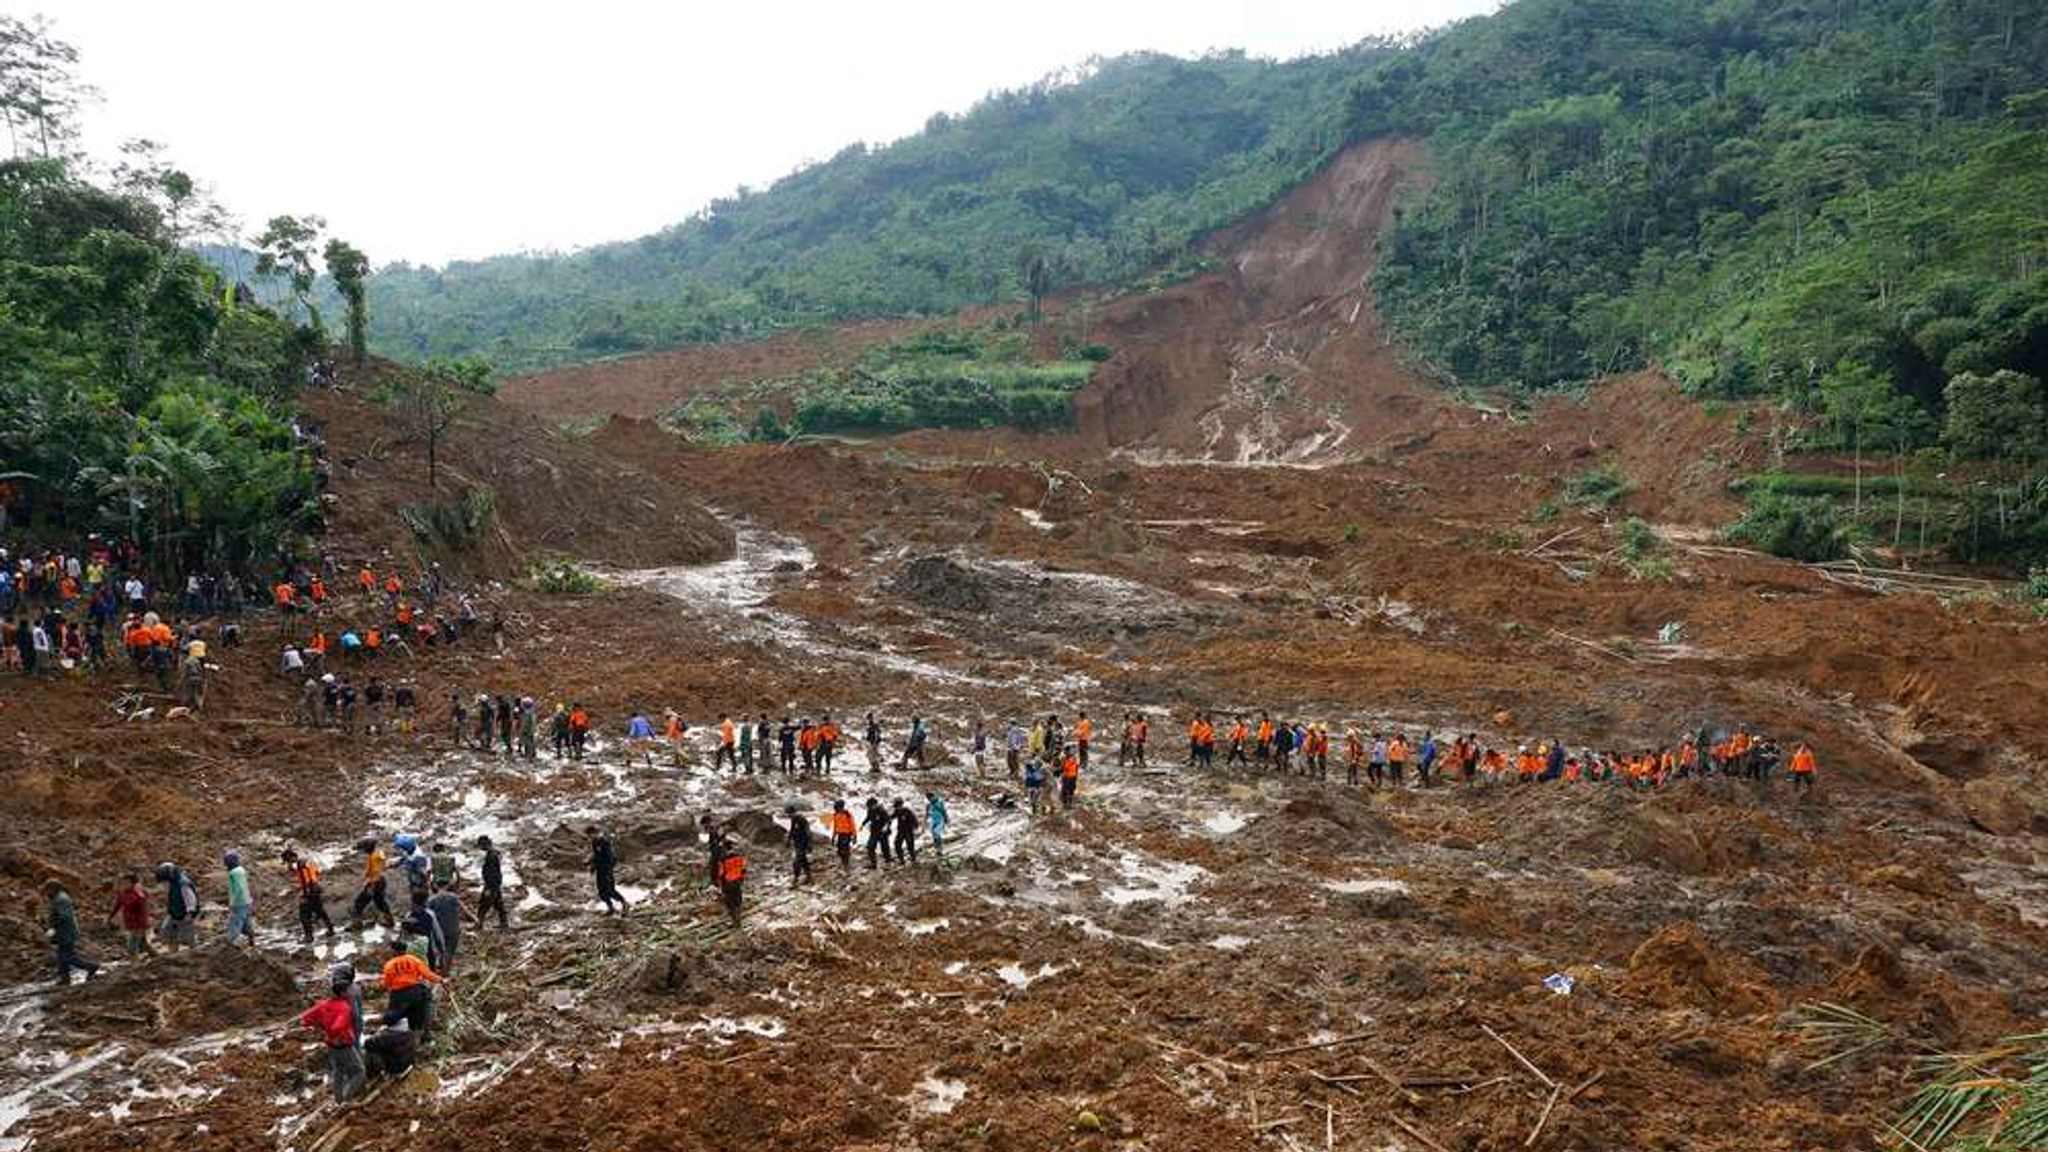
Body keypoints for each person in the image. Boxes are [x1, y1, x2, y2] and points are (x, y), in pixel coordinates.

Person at [300, 978, 365, 1103]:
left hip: (330, 1044)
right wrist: (335, 1034)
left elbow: (305, 1019)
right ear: (342, 993)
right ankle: (346, 1099)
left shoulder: (323, 1004)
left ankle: (338, 1100)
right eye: (349, 990)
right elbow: (338, 1026)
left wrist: (323, 1028)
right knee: (359, 1071)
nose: (351, 992)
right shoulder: (344, 1007)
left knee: (338, 1071)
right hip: (343, 1043)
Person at [378, 937, 442, 1034]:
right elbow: (427, 974)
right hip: (416, 992)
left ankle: (395, 1035)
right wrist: (441, 980)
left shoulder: (390, 965)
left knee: (392, 1017)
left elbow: (387, 983)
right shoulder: (414, 960)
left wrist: (386, 988)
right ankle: (419, 1033)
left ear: (394, 951)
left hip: (399, 995)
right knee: (417, 1017)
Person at [46, 880, 98, 986]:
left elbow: (65, 916)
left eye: (48, 889)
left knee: (67, 956)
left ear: (53, 888)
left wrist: (53, 927)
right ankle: (65, 978)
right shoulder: (58, 898)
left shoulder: (61, 899)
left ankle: (91, 967)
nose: (46, 892)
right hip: (63, 932)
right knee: (61, 956)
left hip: (65, 933)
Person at [282, 849, 336, 942]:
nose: (288, 863)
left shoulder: (301, 864)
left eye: (288, 861)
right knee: (320, 911)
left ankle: (309, 936)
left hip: (310, 891)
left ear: (290, 858)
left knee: (304, 915)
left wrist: (305, 896)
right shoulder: (307, 860)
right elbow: (317, 872)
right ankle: (330, 929)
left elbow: (305, 880)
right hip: (316, 889)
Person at [107, 872, 156, 958]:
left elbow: (144, 911)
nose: (124, 884)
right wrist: (110, 917)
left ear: (133, 883)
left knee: (132, 945)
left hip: (138, 923)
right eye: (123, 883)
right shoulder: (123, 894)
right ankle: (156, 957)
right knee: (143, 943)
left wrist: (143, 925)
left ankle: (135, 963)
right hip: (130, 922)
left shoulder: (138, 895)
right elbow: (117, 906)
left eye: (127, 883)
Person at [350, 838, 394, 931]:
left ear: (367, 848)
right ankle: (390, 921)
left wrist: (371, 887)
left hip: (375, 883)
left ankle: (357, 924)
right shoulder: (378, 854)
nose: (362, 851)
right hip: (381, 881)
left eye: (363, 849)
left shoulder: (373, 857)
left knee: (359, 903)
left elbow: (375, 873)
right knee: (380, 902)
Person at [155, 861, 200, 951]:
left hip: (185, 914)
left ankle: (196, 954)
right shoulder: (173, 883)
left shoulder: (183, 884)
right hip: (174, 913)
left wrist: (189, 914)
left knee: (188, 937)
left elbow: (191, 900)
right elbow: (171, 897)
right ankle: (173, 954)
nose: (165, 882)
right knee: (169, 932)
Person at [587, 826, 627, 914]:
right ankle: (610, 907)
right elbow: (596, 855)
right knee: (601, 891)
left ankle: (624, 904)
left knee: (610, 890)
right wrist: (592, 865)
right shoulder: (594, 842)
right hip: (600, 870)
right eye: (589, 836)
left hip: (607, 869)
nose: (591, 837)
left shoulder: (604, 842)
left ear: (595, 833)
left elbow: (611, 856)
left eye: (591, 835)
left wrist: (609, 868)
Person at [426, 884, 463, 973]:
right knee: (450, 951)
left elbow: (427, 914)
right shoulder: (453, 897)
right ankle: (445, 970)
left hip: (439, 929)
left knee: (441, 950)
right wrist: (475, 919)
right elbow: (463, 910)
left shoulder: (431, 900)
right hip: (453, 928)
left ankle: (441, 967)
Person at [223, 851, 256, 945]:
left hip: (239, 903)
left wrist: (233, 903)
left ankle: (232, 945)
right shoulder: (241, 870)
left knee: (234, 924)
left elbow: (238, 889)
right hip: (247, 901)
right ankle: (251, 942)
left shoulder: (233, 873)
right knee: (246, 923)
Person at [475, 835, 508, 929]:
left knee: (484, 904)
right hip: (495, 883)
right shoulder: (493, 854)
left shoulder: (491, 856)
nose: (480, 848)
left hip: (491, 884)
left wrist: (488, 887)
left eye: (480, 845)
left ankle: (479, 923)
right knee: (498, 904)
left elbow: (491, 873)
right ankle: (504, 922)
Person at [716, 846, 746, 928]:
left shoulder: (723, 859)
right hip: (737, 882)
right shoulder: (739, 857)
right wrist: (742, 880)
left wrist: (720, 886)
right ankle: (738, 920)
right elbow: (743, 869)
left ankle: (734, 922)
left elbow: (721, 873)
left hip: (728, 884)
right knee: (738, 902)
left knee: (730, 904)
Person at [786, 804, 813, 885]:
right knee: (803, 860)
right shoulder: (793, 819)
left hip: (803, 843)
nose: (789, 816)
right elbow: (792, 829)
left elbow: (808, 832)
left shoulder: (801, 819)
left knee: (797, 861)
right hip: (797, 843)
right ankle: (808, 876)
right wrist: (789, 839)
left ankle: (796, 877)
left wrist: (809, 844)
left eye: (790, 814)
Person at [863, 798, 894, 869]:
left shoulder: (881, 810)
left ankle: (888, 862)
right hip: (874, 831)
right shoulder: (870, 810)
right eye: (869, 806)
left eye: (872, 805)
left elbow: (888, 820)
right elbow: (868, 817)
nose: (871, 807)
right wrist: (863, 824)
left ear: (875, 804)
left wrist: (886, 827)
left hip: (882, 832)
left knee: (885, 847)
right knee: (870, 846)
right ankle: (873, 863)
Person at [830, 800, 856, 872]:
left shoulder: (848, 814)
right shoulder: (836, 815)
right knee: (839, 850)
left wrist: (854, 836)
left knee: (845, 849)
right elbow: (835, 826)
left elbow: (853, 826)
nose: (837, 809)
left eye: (838, 808)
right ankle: (843, 862)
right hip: (840, 835)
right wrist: (833, 836)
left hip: (847, 834)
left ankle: (846, 864)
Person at [892, 799, 920, 864]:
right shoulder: (897, 811)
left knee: (910, 845)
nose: (897, 808)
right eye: (896, 807)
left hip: (908, 831)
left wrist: (915, 828)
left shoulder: (907, 811)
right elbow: (892, 817)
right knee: (897, 844)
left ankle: (913, 859)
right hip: (901, 831)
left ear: (901, 805)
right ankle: (901, 859)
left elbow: (914, 820)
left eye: (898, 806)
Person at [925, 792, 950, 856]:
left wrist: (947, 819)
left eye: (930, 798)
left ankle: (941, 849)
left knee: (937, 833)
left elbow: (944, 811)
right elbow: (927, 814)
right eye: (928, 798)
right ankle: (936, 849)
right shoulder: (928, 804)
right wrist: (924, 822)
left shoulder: (940, 802)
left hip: (940, 820)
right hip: (933, 820)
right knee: (934, 835)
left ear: (933, 796)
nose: (929, 799)